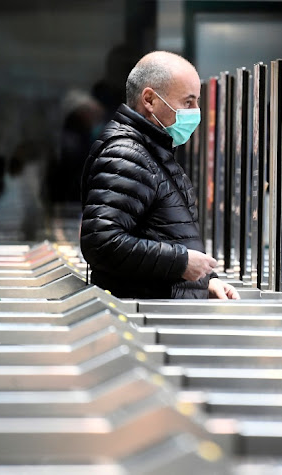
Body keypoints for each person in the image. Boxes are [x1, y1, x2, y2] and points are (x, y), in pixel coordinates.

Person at [80, 51, 238, 300]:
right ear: (150, 100)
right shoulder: (127, 154)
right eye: (188, 102)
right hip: (143, 315)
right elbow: (102, 242)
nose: (196, 111)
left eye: (197, 101)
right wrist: (181, 262)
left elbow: (164, 233)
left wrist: (206, 279)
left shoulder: (154, 151)